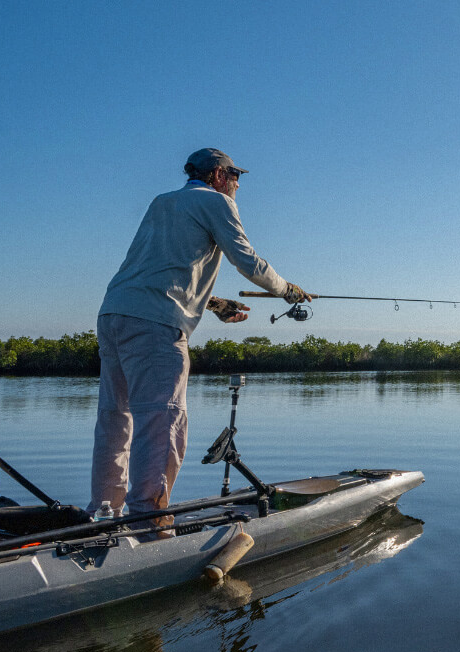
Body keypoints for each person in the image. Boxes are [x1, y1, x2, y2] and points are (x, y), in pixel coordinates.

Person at [89, 148, 308, 536]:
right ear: (219, 176)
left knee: (115, 419)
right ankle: (149, 524)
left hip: (114, 314)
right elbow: (248, 260)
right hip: (156, 325)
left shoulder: (163, 202)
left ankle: (104, 512)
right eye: (236, 174)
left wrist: (215, 303)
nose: (239, 183)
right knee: (163, 420)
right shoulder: (216, 201)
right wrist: (287, 290)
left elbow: (159, 268)